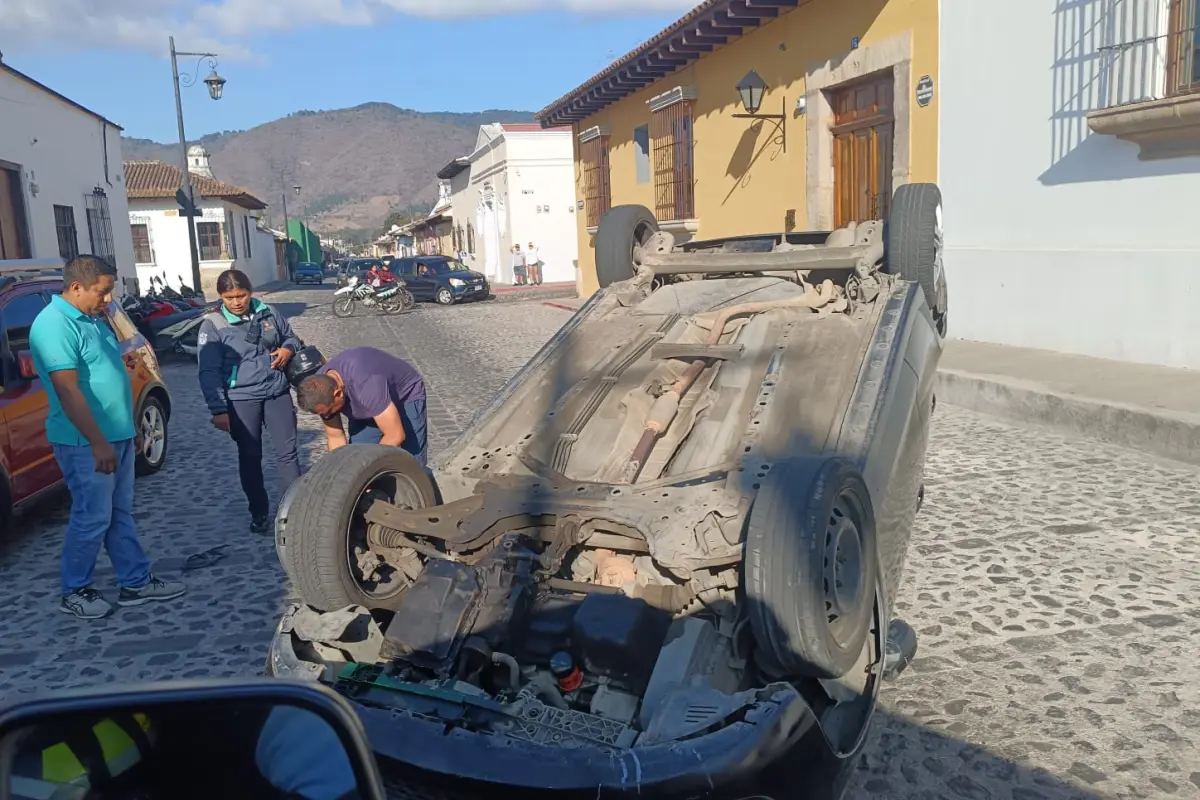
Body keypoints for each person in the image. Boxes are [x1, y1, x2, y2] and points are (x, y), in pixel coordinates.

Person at [29, 255, 186, 620]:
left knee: (118, 513)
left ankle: (135, 582)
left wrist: (126, 430)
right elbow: (68, 391)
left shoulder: (94, 319)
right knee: (92, 516)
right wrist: (98, 442)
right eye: (102, 292)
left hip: (115, 434)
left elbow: (108, 376)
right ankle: (75, 589)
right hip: (84, 441)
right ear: (77, 287)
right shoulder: (54, 325)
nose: (107, 300)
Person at [197, 270, 304, 534]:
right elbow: (208, 371)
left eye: (241, 295)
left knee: (288, 454)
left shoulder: (268, 312)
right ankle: (259, 512)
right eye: (229, 297)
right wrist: (218, 409)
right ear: (221, 296)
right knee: (250, 456)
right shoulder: (213, 324)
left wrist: (288, 348)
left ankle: (295, 512)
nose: (236, 302)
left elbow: (290, 336)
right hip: (241, 399)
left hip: (276, 391)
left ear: (250, 291)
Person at [295, 347, 428, 465]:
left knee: (410, 461)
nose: (326, 417)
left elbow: (395, 435)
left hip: (404, 397)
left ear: (338, 393)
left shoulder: (366, 383)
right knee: (358, 456)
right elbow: (335, 437)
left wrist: (368, 471)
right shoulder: (321, 391)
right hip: (366, 403)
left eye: (328, 412)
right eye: (321, 414)